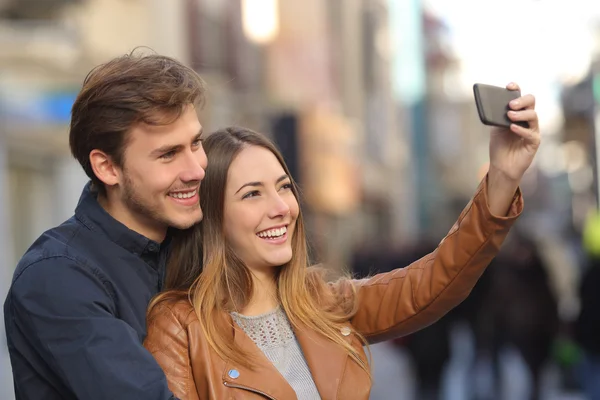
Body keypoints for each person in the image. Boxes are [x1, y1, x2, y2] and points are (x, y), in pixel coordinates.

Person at [144, 82, 540, 399]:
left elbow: (437, 279)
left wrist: (503, 176)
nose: (281, 207)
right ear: (213, 216)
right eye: (252, 193)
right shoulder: (180, 326)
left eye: (283, 187)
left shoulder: (324, 304)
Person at [4, 50, 207, 399]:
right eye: (168, 154)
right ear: (107, 168)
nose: (196, 170)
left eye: (196, 143)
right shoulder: (57, 277)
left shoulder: (201, 243)